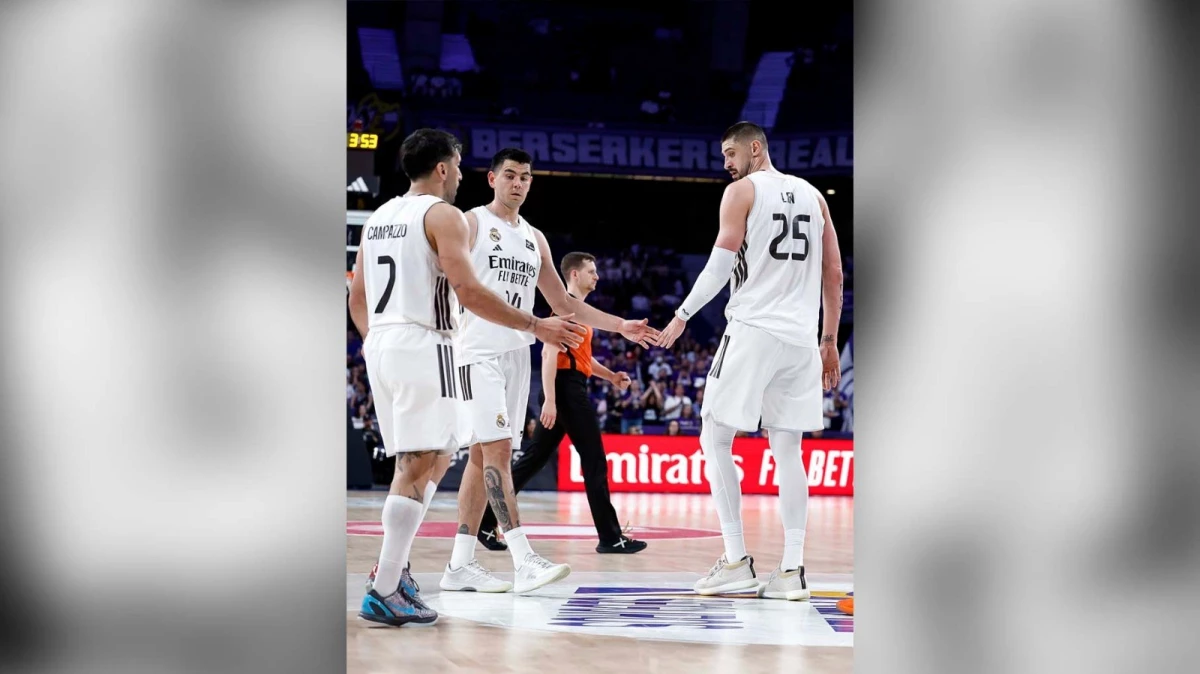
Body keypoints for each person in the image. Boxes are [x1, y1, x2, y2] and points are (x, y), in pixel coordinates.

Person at [348, 128, 585, 626]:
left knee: (427, 461)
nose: (459, 175)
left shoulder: (379, 219)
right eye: (456, 166)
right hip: (425, 342)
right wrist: (535, 323)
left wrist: (375, 344)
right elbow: (467, 290)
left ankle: (398, 574)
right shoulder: (445, 215)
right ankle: (386, 585)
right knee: (423, 462)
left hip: (383, 344)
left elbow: (357, 300)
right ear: (442, 167)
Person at [440, 148, 659, 594]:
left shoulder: (535, 238)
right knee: (499, 454)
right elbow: (453, 283)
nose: (517, 183)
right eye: (509, 176)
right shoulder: (472, 222)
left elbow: (563, 305)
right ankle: (524, 561)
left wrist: (622, 326)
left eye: (524, 177)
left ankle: (459, 565)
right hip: (477, 350)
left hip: (518, 352)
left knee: (483, 457)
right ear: (491, 179)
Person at [656, 121, 843, 602]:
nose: (726, 164)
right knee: (788, 451)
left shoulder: (742, 192)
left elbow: (720, 265)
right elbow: (835, 274)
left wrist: (681, 316)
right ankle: (792, 570)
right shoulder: (814, 197)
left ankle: (737, 560)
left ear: (754, 148)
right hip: (801, 339)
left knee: (713, 435)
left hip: (754, 330)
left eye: (729, 154)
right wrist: (828, 339)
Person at [478, 252, 648, 554]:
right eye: (591, 272)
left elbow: (582, 358)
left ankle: (484, 521)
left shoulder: (579, 314)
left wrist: (609, 376)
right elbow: (548, 355)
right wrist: (551, 401)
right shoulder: (564, 313)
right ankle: (610, 536)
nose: (596, 277)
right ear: (574, 275)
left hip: (569, 385)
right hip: (565, 389)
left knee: (533, 460)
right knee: (594, 459)